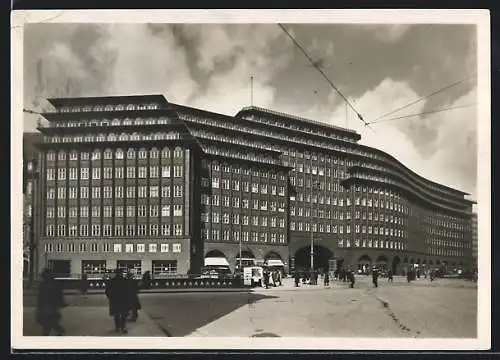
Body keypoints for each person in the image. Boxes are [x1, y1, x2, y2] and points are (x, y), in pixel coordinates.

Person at [35, 268, 66, 336]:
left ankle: (58, 332)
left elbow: (40, 298)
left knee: (47, 326)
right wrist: (62, 303)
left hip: (47, 308)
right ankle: (59, 331)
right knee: (50, 324)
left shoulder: (43, 285)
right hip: (51, 308)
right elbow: (60, 296)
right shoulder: (56, 285)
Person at [105, 269, 132, 333]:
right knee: (123, 315)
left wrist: (111, 298)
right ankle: (123, 327)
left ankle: (117, 327)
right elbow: (129, 291)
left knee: (116, 315)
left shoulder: (112, 281)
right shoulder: (125, 281)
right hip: (124, 300)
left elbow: (107, 291)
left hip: (115, 300)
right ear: (122, 274)